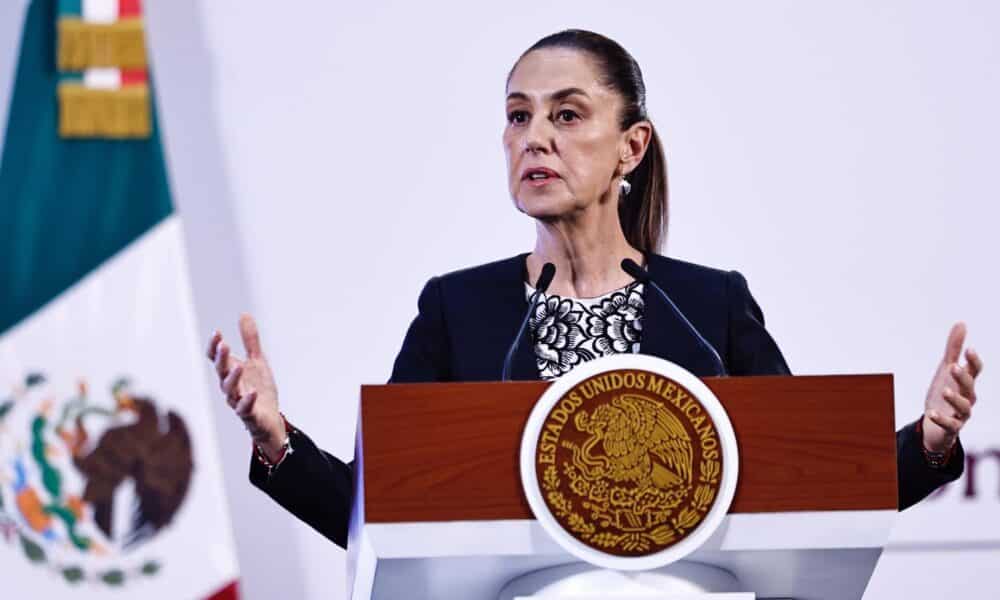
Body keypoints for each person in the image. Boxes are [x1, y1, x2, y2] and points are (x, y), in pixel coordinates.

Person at [205, 30, 983, 550]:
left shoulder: (709, 308)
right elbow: (381, 518)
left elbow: (807, 493)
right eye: (518, 117)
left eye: (568, 115)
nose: (534, 137)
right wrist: (277, 442)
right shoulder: (458, 310)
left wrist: (930, 444)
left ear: (630, 147)